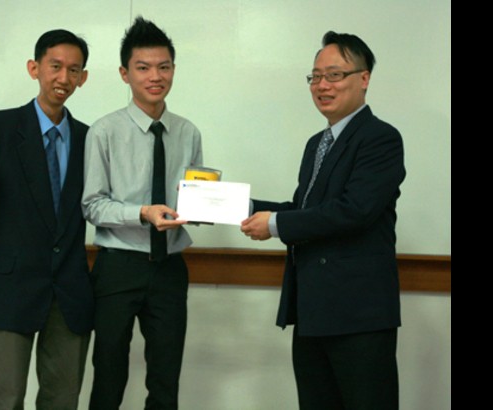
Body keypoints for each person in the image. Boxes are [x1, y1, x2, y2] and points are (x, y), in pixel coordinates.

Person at [240, 30, 406, 410]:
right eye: (315, 76)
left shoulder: (380, 138)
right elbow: (304, 207)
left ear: (364, 79)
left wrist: (276, 225)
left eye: (334, 75)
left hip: (358, 316)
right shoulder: (318, 142)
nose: (321, 85)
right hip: (313, 311)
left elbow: (354, 210)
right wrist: (233, 205)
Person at [0, 29, 93, 410]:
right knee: (4, 397)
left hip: (68, 292)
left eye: (74, 70)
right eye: (55, 66)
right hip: (6, 288)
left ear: (83, 78)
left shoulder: (90, 139)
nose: (63, 78)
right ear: (34, 68)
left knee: (62, 399)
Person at [81, 16, 203, 410]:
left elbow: (195, 196)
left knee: (166, 378)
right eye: (144, 67)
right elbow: (92, 204)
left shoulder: (188, 132)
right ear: (124, 73)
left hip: (169, 267)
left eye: (164, 67)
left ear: (173, 70)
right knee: (109, 375)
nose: (156, 76)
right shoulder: (104, 132)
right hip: (118, 267)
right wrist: (143, 213)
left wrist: (205, 208)